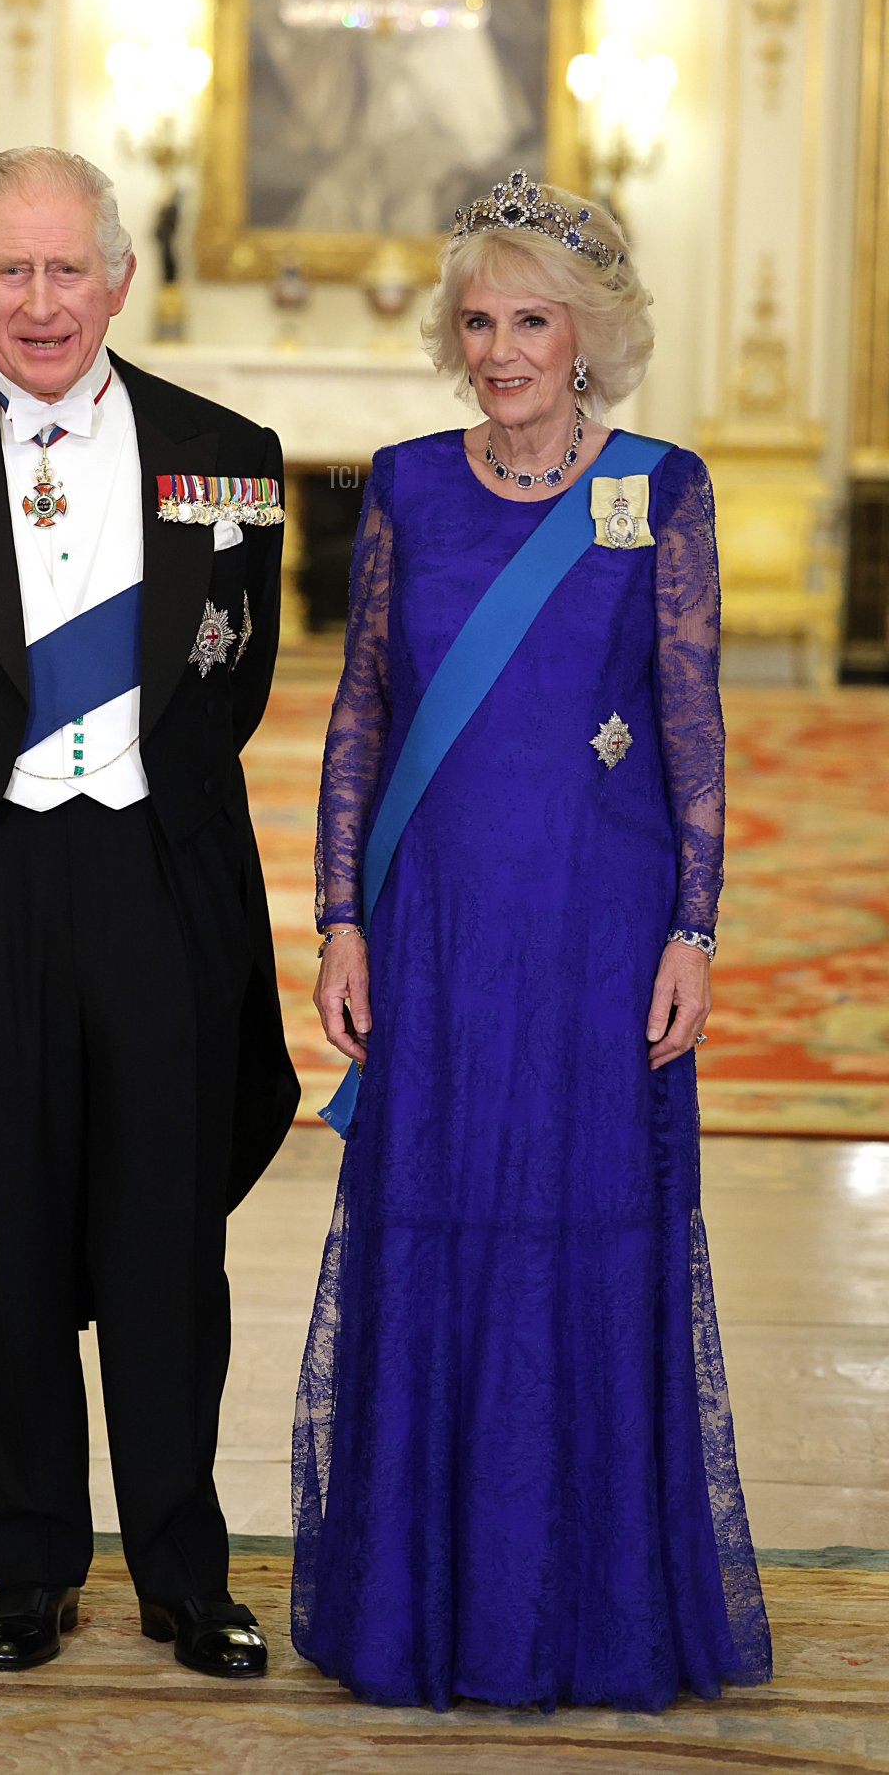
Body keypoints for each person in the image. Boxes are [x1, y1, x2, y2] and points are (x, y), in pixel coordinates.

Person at [293, 172, 773, 1711]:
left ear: (591, 337)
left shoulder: (664, 488)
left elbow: (690, 720)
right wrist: (341, 918)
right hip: (437, 935)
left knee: (588, 1226)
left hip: (597, 934)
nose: (499, 349)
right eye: (478, 320)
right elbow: (361, 710)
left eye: (531, 321)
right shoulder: (407, 485)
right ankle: (428, 1601)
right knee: (435, 1219)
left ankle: (591, 1603)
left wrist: (695, 927)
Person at [0, 147, 297, 1677]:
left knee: (169, 1242)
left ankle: (184, 1569)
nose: (41, 301)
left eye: (66, 269)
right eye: (11, 271)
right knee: (15, 1228)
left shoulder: (227, 453)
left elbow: (233, 683)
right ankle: (29, 1568)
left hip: (159, 884)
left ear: (118, 277)